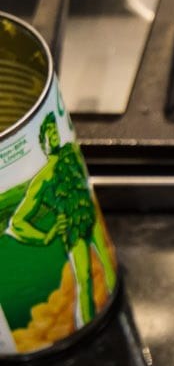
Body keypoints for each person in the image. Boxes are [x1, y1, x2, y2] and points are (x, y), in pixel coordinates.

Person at [6, 112, 116, 324]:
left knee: (106, 263)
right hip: (72, 230)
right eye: (50, 135)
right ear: (43, 143)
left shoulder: (68, 153)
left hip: (88, 215)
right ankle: (88, 320)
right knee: (84, 279)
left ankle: (103, 311)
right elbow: (17, 222)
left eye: (55, 132)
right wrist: (46, 237)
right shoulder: (44, 177)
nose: (55, 138)